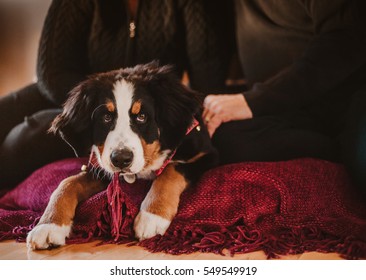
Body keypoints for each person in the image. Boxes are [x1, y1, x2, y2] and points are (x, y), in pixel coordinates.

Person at [0, 0, 234, 188]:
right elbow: (51, 72)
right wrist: (95, 105)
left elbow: (208, 81)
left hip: (149, 102)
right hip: (82, 98)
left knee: (26, 137)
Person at [203, 0, 366, 193]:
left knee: (361, 162)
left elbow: (346, 42)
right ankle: (333, 152)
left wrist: (252, 102)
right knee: (217, 141)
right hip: (283, 113)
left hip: (347, 102)